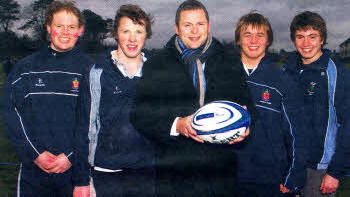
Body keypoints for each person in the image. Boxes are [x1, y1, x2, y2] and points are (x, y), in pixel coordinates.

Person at [130, 0, 253, 196]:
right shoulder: (158, 64)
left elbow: (249, 108)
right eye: (188, 25)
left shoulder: (229, 60)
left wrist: (246, 126)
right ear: (177, 28)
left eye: (200, 24)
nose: (195, 31)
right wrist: (177, 124)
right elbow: (139, 115)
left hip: (220, 178)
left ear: (209, 26)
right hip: (175, 178)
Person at [2, 1, 91, 196]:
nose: (65, 32)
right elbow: (11, 114)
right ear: (49, 28)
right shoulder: (24, 69)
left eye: (72, 27)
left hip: (75, 172)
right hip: (33, 173)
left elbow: (94, 122)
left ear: (80, 31)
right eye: (59, 26)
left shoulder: (91, 70)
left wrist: (70, 156)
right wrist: (35, 154)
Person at [233, 12, 308, 197]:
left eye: (260, 35)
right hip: (231, 177)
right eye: (247, 35)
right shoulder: (224, 76)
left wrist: (294, 177)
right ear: (238, 40)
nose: (253, 40)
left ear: (268, 41)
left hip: (271, 179)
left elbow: (297, 134)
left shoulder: (283, 80)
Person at [85, 4, 155, 196]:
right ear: (116, 33)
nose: (132, 38)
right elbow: (87, 124)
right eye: (126, 31)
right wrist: (84, 175)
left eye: (139, 31)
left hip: (146, 171)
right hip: (106, 170)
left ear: (146, 35)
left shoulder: (157, 71)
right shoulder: (96, 72)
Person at [284, 11, 350, 197]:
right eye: (300, 37)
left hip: (319, 170)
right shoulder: (287, 71)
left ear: (322, 40)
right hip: (289, 165)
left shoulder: (337, 73)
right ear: (294, 40)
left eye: (312, 37)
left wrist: (335, 172)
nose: (306, 44)